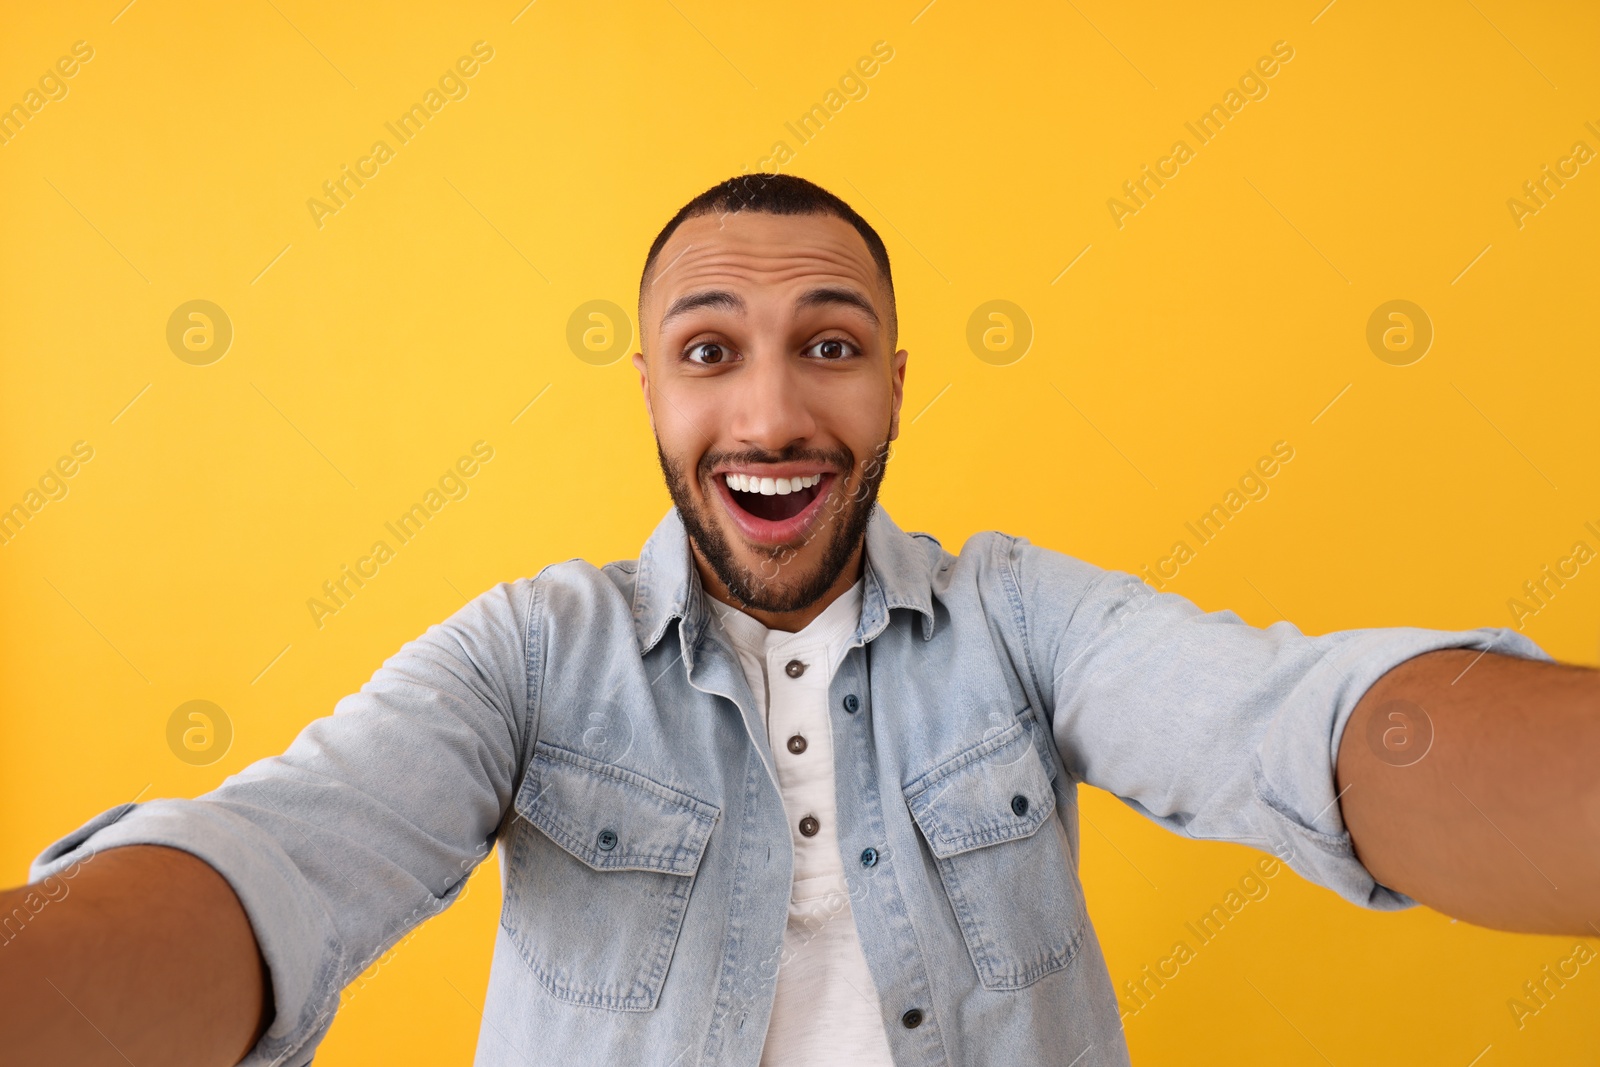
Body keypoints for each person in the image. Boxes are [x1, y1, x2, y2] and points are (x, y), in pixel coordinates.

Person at [2, 174, 1596, 1067]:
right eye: (710, 352)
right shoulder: (529, 656)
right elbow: (284, 854)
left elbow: (1297, 730)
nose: (771, 413)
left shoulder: (1022, 622)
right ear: (647, 390)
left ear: (896, 379)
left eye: (830, 347)